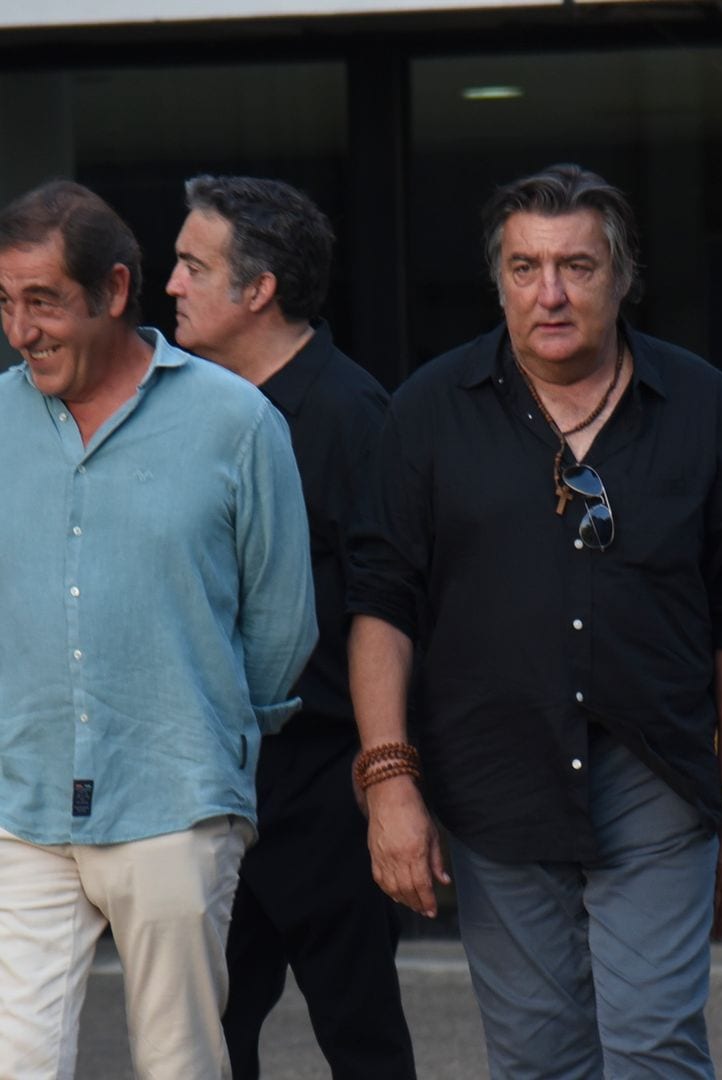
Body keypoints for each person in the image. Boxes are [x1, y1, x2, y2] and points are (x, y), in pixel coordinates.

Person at [347, 163, 722, 1078]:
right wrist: (390, 782)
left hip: (657, 772)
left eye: (577, 267)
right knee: (538, 1059)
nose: (550, 294)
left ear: (621, 278)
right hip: (493, 780)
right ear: (498, 278)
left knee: (654, 1047)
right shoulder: (429, 410)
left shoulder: (702, 407)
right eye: (525, 267)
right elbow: (383, 603)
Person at [0, 180, 316, 1080]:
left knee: (180, 1061)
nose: (23, 331)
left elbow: (282, 621)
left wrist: (211, 731)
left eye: (45, 303)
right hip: (19, 805)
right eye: (6, 303)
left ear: (114, 290)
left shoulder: (236, 422)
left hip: (175, 800)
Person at [166, 175, 416, 1079]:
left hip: (323, 781)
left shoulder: (353, 417)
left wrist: (386, 781)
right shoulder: (186, 409)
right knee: (207, 1040)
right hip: (214, 778)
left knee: (362, 1038)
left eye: (194, 265)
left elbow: (388, 608)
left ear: (259, 290)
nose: (171, 285)